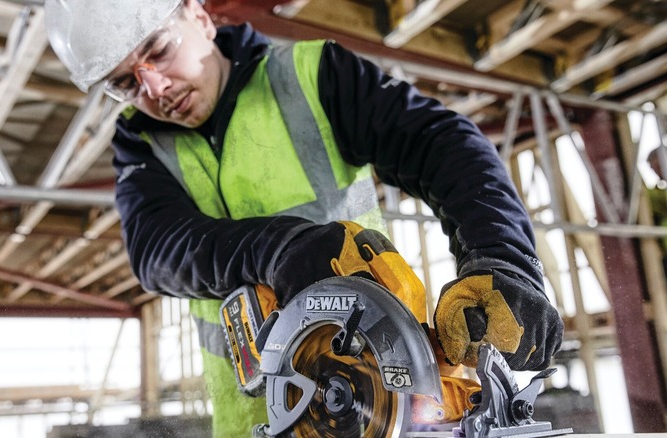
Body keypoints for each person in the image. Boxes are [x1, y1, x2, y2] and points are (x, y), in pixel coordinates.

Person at [44, 0, 564, 435]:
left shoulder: (312, 76)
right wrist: (276, 249)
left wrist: (501, 257)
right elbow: (156, 251)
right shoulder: (139, 144)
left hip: (380, 403)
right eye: (125, 85)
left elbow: (443, 144)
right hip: (253, 424)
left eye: (158, 50)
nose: (154, 90)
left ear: (199, 16)